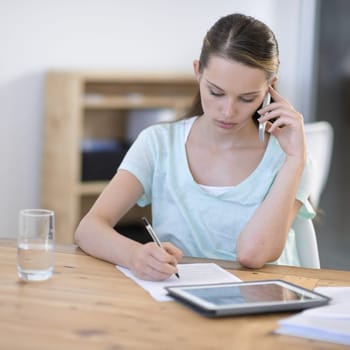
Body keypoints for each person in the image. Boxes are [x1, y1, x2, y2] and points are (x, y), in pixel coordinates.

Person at [75, 13, 315, 281]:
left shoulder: (289, 158)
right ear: (197, 71)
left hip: (267, 305)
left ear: (271, 89)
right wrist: (134, 255)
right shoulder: (158, 144)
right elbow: (88, 228)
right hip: (181, 300)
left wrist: (295, 160)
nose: (228, 111)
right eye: (216, 92)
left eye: (247, 98)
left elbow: (251, 255)